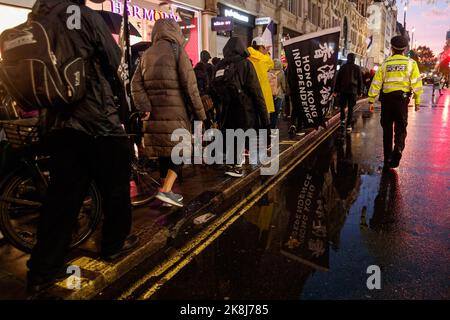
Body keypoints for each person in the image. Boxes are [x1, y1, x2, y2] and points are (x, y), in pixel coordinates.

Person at [26, 0, 137, 294]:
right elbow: (115, 61)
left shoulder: (39, 17)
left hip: (57, 124)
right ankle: (113, 244)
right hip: (97, 122)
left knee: (61, 198)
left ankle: (42, 270)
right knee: (116, 187)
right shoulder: (84, 16)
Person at [131, 19, 206, 207]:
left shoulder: (146, 54)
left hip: (154, 115)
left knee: (165, 153)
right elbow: (190, 86)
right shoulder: (177, 51)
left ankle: (167, 193)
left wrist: (145, 106)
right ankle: (165, 191)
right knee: (181, 152)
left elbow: (135, 84)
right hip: (176, 114)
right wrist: (200, 114)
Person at [212, 37, 269, 177]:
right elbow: (256, 91)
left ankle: (231, 163)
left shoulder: (219, 65)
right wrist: (265, 117)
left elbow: (212, 88)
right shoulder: (246, 64)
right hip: (244, 110)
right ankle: (235, 165)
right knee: (241, 134)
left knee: (230, 133)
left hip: (225, 108)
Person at [368, 35, 423, 169]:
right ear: (405, 49)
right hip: (402, 99)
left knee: (387, 129)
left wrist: (371, 100)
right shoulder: (411, 63)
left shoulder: (386, 64)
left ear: (391, 48)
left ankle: (387, 158)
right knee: (400, 127)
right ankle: (398, 149)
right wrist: (417, 101)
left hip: (387, 100)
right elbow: (416, 83)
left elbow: (376, 82)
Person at [333, 53, 363, 132]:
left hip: (343, 90)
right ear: (354, 59)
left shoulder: (343, 67)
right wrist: (360, 91)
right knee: (350, 108)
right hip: (353, 90)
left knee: (342, 106)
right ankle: (348, 124)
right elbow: (360, 80)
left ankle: (342, 120)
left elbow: (338, 79)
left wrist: (336, 90)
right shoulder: (357, 68)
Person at [247, 37, 275, 119]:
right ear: (261, 47)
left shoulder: (246, 57)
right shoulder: (264, 59)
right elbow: (271, 65)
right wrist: (266, 53)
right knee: (264, 120)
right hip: (262, 94)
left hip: (249, 94)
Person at [269, 59, 286, 130]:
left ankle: (269, 126)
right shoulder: (281, 72)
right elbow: (283, 84)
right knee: (276, 111)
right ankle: (273, 126)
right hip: (278, 94)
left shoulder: (269, 72)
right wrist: (285, 91)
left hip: (270, 94)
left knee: (271, 111)